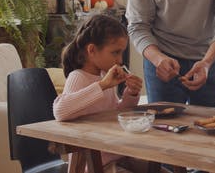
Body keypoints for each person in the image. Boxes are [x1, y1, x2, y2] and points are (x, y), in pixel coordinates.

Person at [53, 14, 148, 173]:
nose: (120, 60)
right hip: (94, 164)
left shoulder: (104, 76)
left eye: (121, 53)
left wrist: (130, 94)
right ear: (91, 50)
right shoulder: (78, 77)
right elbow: (60, 111)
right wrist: (102, 85)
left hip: (118, 157)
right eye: (115, 52)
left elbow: (114, 112)